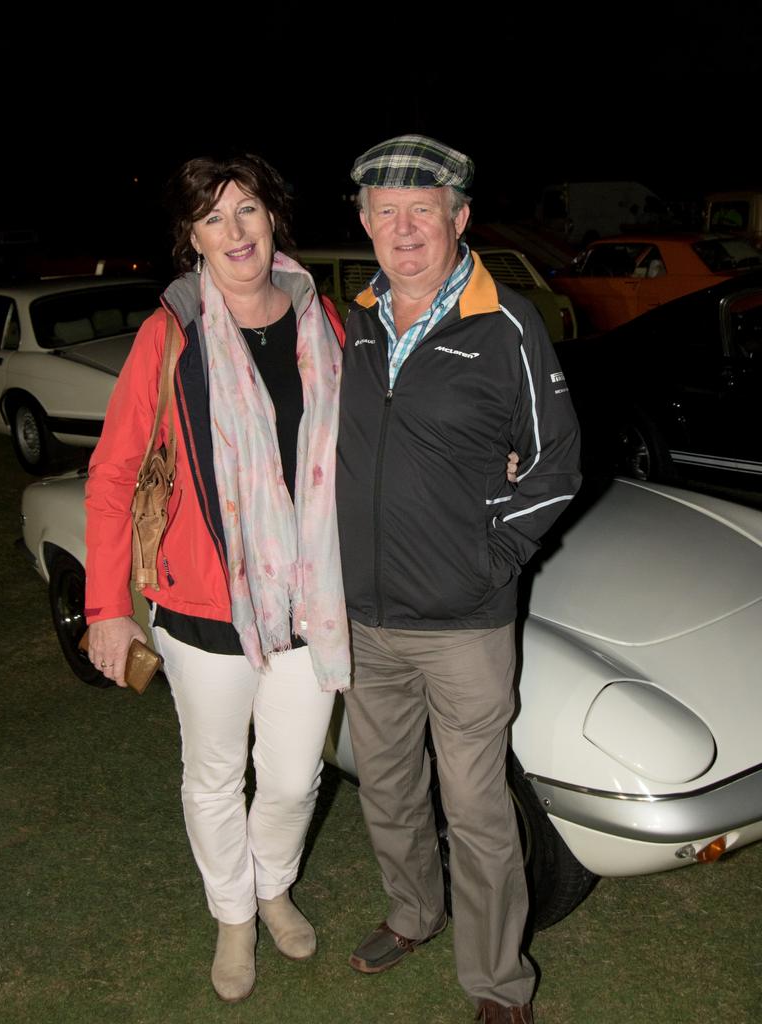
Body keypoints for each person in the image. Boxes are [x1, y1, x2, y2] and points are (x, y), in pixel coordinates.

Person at [84, 154, 351, 1003]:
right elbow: (114, 474)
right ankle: (235, 912)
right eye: (214, 218)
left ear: (274, 219)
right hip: (201, 603)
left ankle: (273, 885)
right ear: (191, 237)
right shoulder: (173, 332)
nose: (235, 232)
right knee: (213, 772)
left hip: (310, 600)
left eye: (248, 212)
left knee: (293, 775)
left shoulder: (323, 320)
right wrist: (107, 609)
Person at [335, 135, 582, 1024]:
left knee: (476, 810)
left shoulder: (506, 322)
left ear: (459, 219)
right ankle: (411, 914)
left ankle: (497, 982)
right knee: (389, 786)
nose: (405, 232)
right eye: (387, 214)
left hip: (467, 623)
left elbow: (556, 466)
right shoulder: (351, 321)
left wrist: (493, 556)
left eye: (423, 214)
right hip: (364, 616)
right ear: (364, 224)